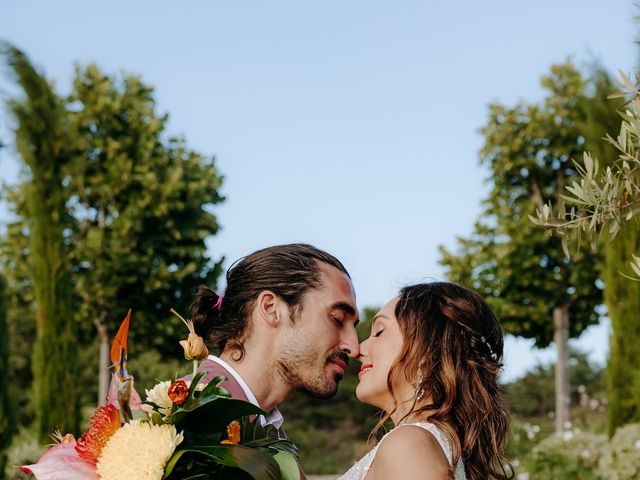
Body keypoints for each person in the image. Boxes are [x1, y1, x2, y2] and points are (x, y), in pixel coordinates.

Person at [339, 282, 514, 480]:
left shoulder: (408, 446)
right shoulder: (426, 445)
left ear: (426, 351)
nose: (359, 349)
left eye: (379, 332)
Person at [188, 243, 360, 438]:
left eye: (353, 327)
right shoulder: (180, 418)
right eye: (337, 318)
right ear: (271, 308)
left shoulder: (272, 434)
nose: (353, 347)